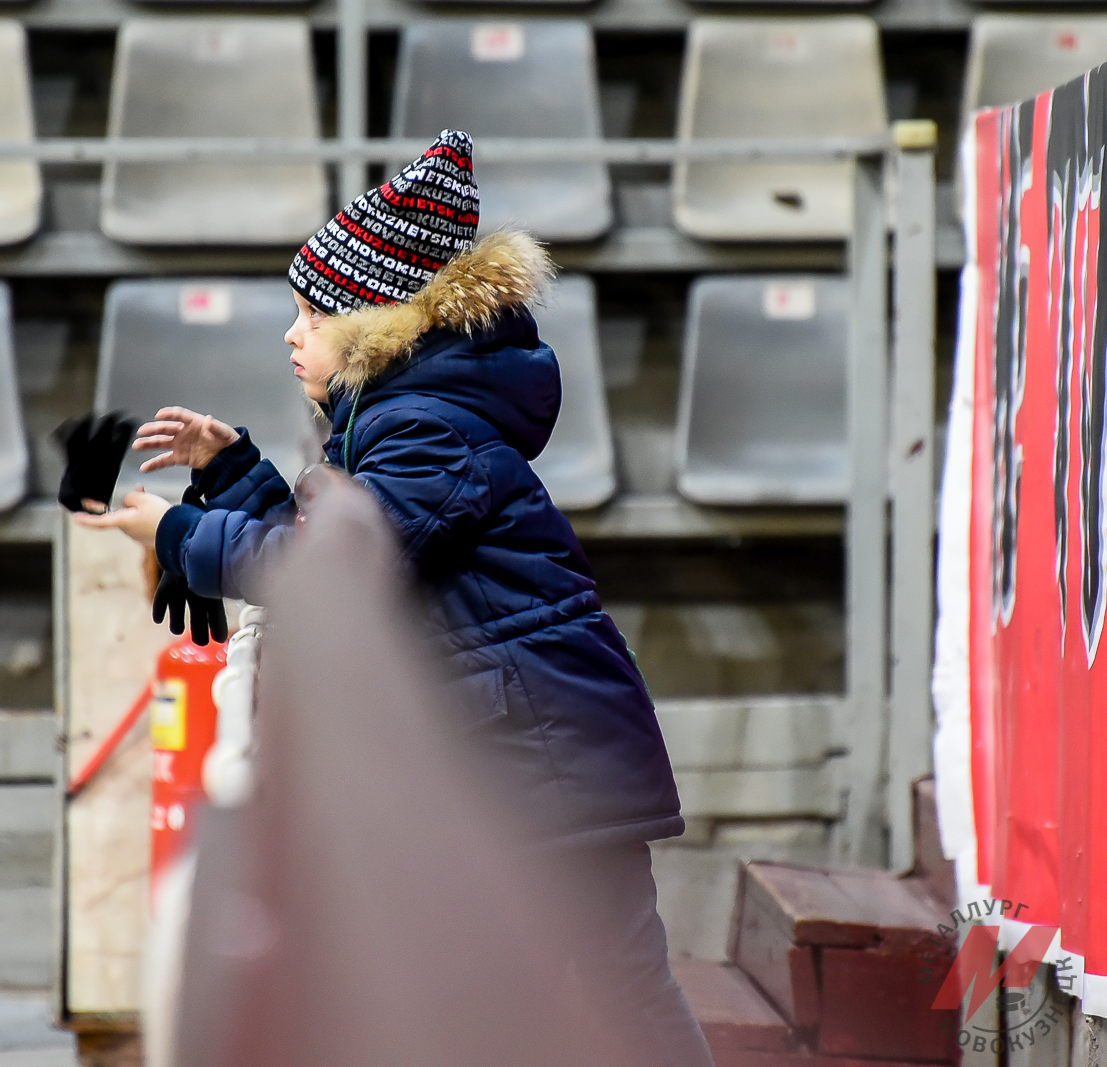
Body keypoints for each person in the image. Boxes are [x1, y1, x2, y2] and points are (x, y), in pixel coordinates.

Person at [75, 130, 714, 1066]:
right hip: (526, 749)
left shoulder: (424, 429)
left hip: (549, 760)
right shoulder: (404, 420)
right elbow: (343, 533)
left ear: (378, 324)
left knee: (618, 986)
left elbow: (325, 563)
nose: (291, 336)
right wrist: (239, 472)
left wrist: (175, 532)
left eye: (311, 315)